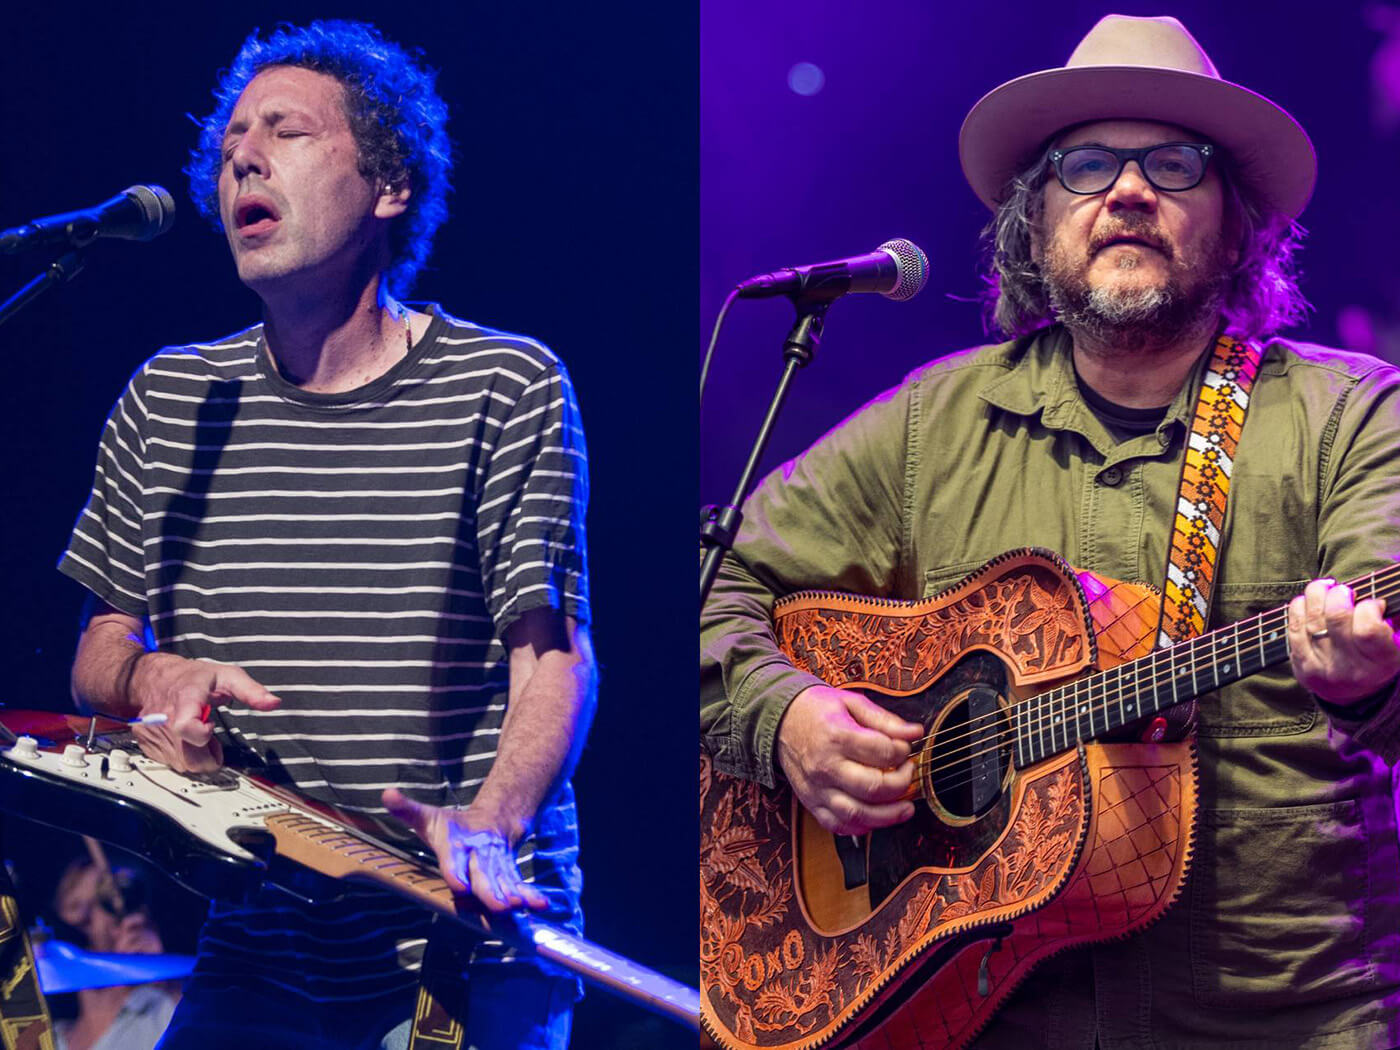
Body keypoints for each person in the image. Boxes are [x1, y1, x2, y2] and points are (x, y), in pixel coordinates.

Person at [701, 14, 1400, 1049]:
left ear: (1235, 222)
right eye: (1085, 165)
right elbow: (714, 588)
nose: (1127, 191)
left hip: (1277, 1023)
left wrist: (1368, 683)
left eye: (1172, 163)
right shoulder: (924, 426)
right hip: (980, 1019)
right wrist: (790, 721)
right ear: (1033, 225)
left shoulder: (1350, 418)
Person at [59, 20, 593, 1050]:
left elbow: (554, 663)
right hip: (261, 940)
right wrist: (151, 680)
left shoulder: (504, 385)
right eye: (228, 150)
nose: (243, 159)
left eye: (286, 133)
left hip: (459, 940)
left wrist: (490, 823)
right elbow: (96, 650)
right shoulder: (171, 399)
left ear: (390, 185)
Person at [50, 859, 177, 1050]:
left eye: (103, 900)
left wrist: (163, 976)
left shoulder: (167, 1009)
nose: (88, 917)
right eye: (77, 906)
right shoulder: (46, 1039)